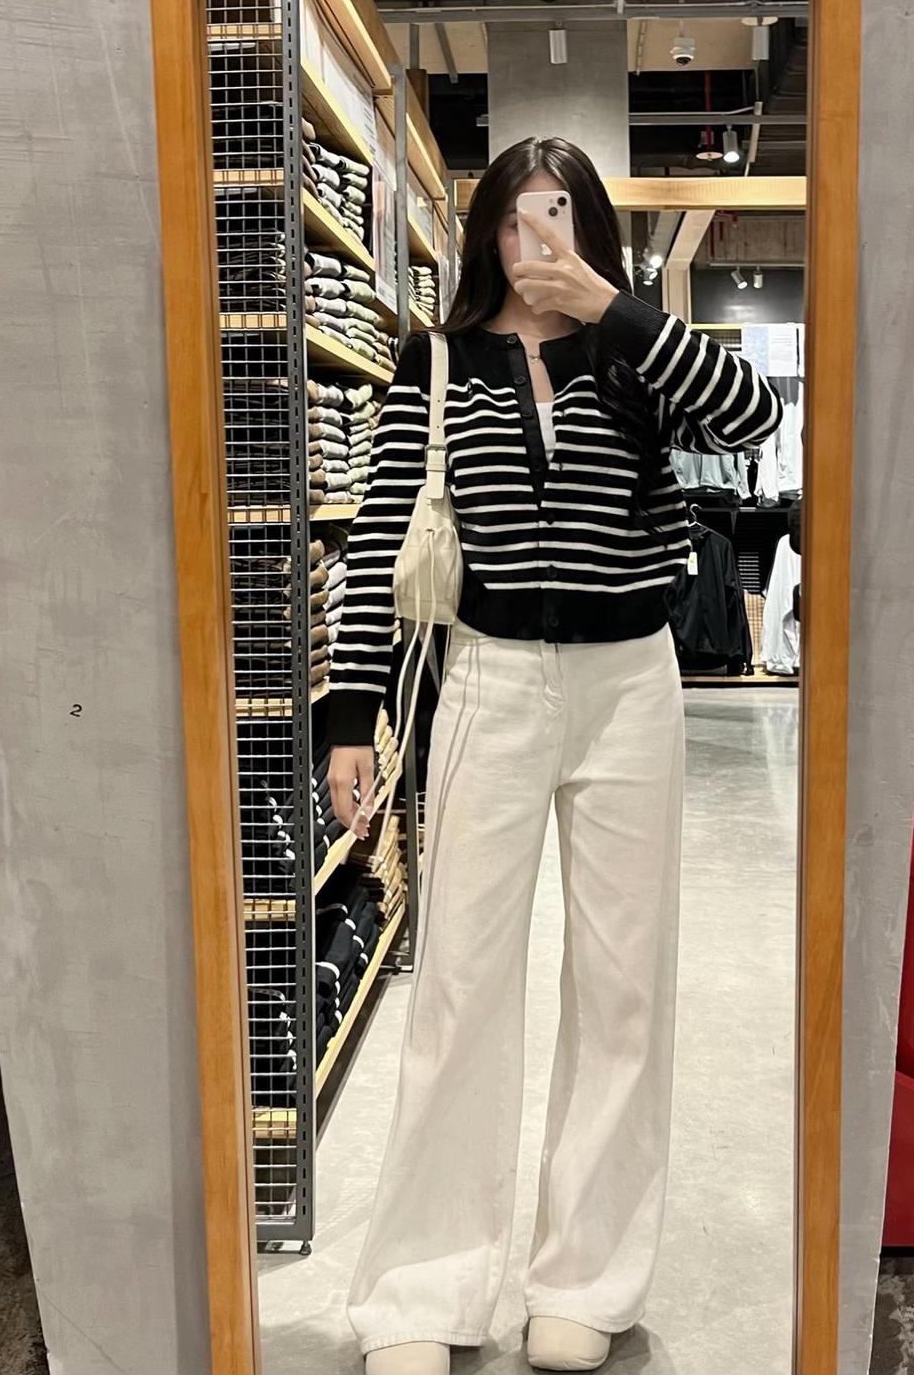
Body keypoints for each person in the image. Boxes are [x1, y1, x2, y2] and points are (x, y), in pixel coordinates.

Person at [327, 137, 782, 1375]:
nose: (539, 239)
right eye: (520, 218)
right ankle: (421, 1289)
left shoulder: (635, 354)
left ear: (587, 228)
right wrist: (349, 715)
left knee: (622, 984)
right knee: (460, 982)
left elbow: (755, 416)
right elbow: (380, 540)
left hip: (630, 684)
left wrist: (614, 311)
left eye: (562, 215)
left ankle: (585, 1275)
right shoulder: (432, 363)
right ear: (486, 231)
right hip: (487, 681)